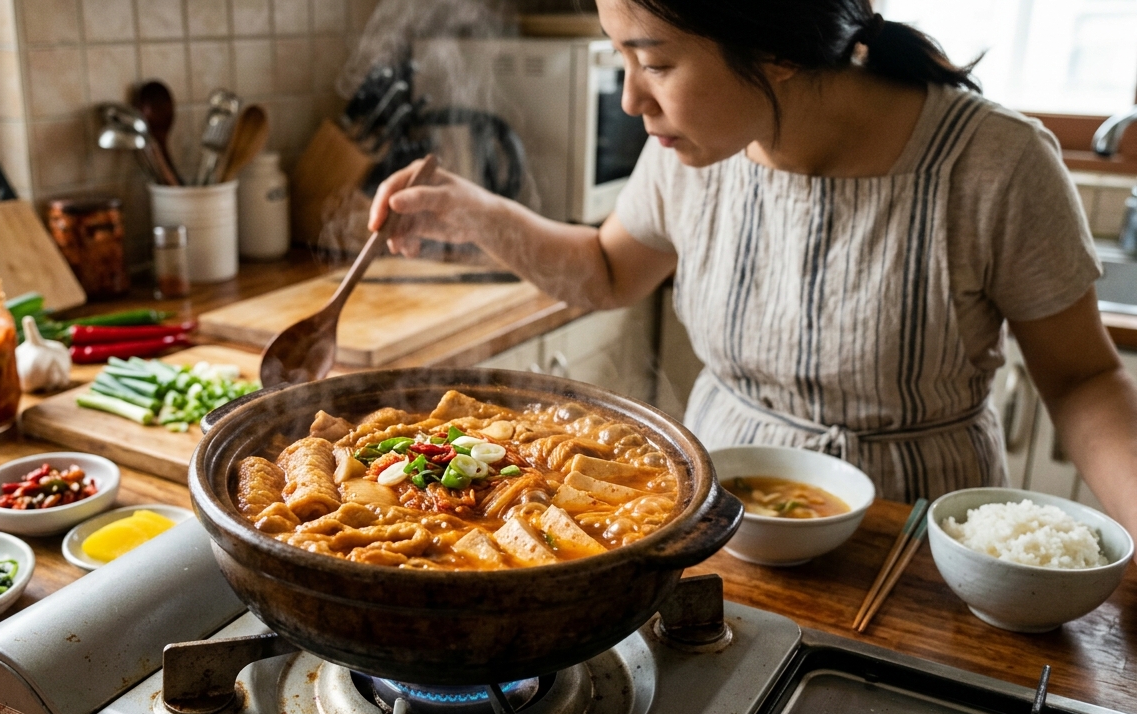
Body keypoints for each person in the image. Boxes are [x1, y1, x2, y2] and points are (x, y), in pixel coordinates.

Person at [368, 0, 1137, 539]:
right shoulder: (694, 146)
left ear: (776, 49)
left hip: (913, 533)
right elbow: (607, 272)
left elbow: (1080, 380)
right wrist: (474, 211)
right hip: (718, 519)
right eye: (621, 59)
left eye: (655, 62)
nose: (634, 98)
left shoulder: (996, 163)